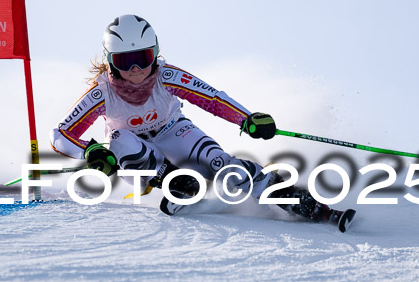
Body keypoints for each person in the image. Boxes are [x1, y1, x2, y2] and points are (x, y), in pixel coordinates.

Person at [50, 14, 355, 231]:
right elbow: (61, 134)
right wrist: (89, 152)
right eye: (123, 61)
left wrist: (247, 119)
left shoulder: (167, 77)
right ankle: (176, 184)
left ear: (155, 53)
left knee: (224, 164)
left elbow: (212, 98)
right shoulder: (102, 93)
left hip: (174, 132)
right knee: (119, 140)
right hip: (139, 160)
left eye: (143, 57)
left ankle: (307, 206)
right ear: (109, 61)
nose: (135, 70)